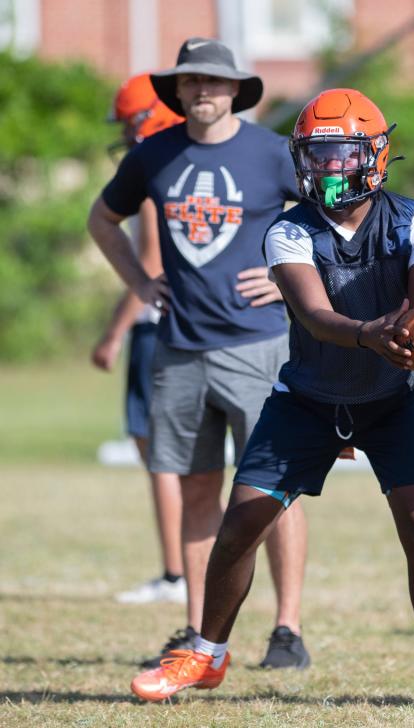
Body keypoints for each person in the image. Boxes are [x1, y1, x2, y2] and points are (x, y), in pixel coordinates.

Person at [127, 88, 414, 711]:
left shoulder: (413, 220)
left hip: (395, 399)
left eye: (341, 152)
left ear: (374, 155)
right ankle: (206, 656)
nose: (327, 167)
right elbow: (315, 316)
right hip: (309, 398)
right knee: (239, 527)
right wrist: (376, 332)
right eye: (315, 154)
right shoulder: (288, 229)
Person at [87, 38, 311, 670]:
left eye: (215, 81)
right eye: (191, 82)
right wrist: (137, 282)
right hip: (181, 349)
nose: (203, 91)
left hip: (261, 346)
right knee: (196, 491)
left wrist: (288, 278)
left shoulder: (272, 154)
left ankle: (287, 631)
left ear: (236, 89)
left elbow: (338, 216)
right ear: (178, 92)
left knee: (278, 491)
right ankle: (197, 632)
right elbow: (102, 219)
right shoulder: (154, 154)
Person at [92, 73, 187, 605]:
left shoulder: (158, 171)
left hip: (158, 325)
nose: (126, 135)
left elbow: (149, 265)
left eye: (130, 123)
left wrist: (112, 334)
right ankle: (178, 571)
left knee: (162, 455)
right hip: (181, 323)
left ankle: (176, 573)